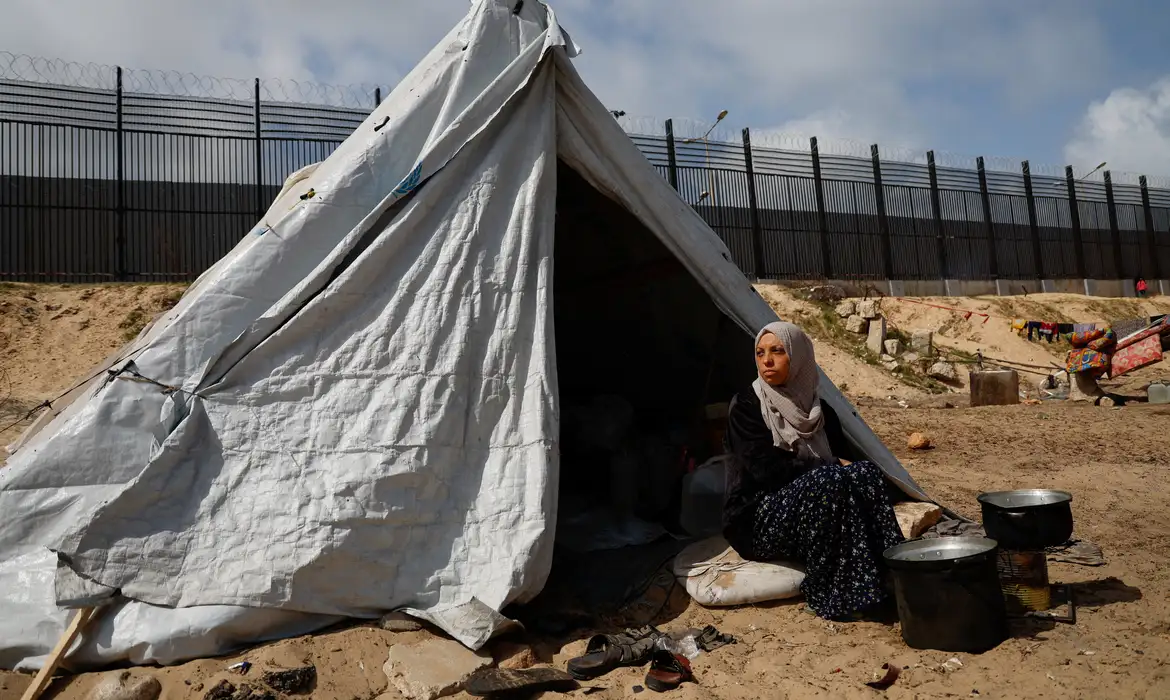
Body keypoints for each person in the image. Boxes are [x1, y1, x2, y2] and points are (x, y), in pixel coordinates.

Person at [721, 321, 905, 621]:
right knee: (829, 478)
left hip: (814, 510)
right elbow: (765, 470)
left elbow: (846, 465)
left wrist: (840, 469)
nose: (767, 360)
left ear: (799, 356)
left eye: (778, 351)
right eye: (760, 352)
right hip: (757, 519)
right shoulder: (747, 406)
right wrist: (828, 466)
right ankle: (827, 591)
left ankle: (896, 571)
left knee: (865, 473)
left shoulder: (820, 411)